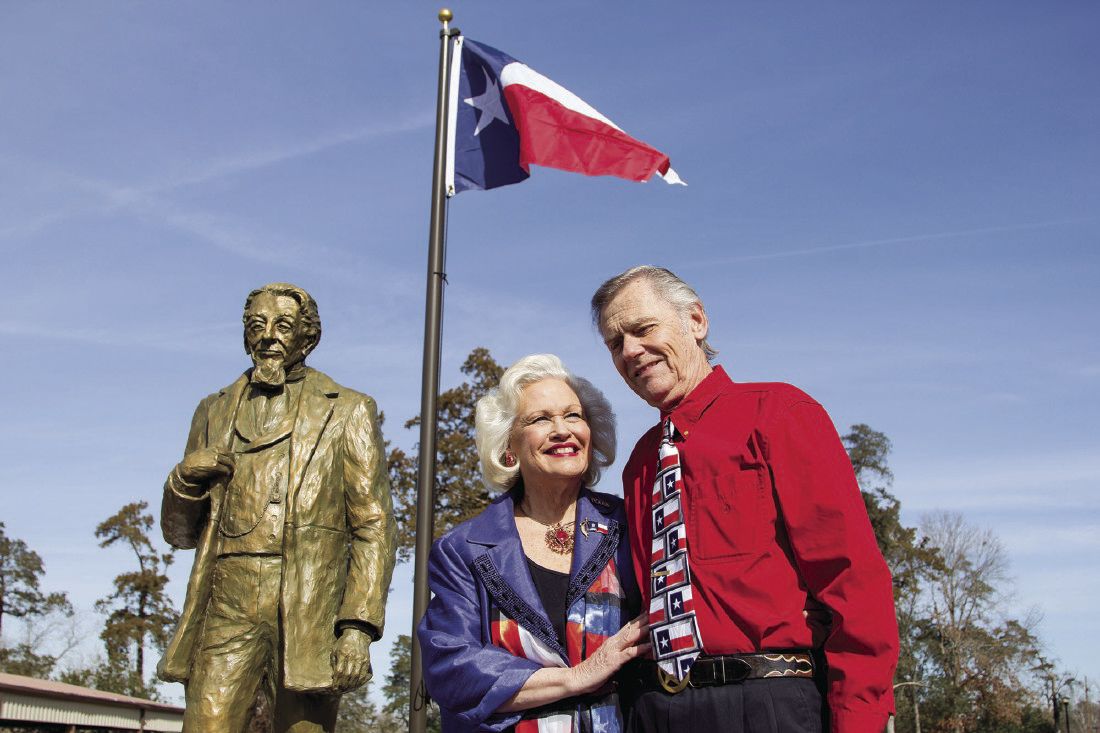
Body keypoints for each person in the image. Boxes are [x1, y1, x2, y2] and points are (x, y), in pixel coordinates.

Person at [591, 266, 899, 732]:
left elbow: (851, 580)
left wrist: (859, 718)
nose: (630, 350)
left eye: (643, 328)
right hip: (656, 708)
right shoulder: (640, 462)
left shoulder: (779, 414)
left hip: (765, 703)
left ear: (695, 321)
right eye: (615, 343)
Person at [156, 283, 397, 733]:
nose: (268, 336)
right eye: (257, 325)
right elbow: (180, 534)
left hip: (309, 604)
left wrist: (358, 628)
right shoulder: (212, 411)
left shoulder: (348, 409)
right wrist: (185, 477)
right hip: (226, 600)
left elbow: (374, 525)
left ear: (307, 337)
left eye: (283, 325)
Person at [418, 354, 648, 732]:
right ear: (508, 445)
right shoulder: (464, 549)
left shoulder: (629, 525)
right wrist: (577, 676)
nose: (562, 430)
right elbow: (450, 666)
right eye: (541, 419)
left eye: (573, 416)